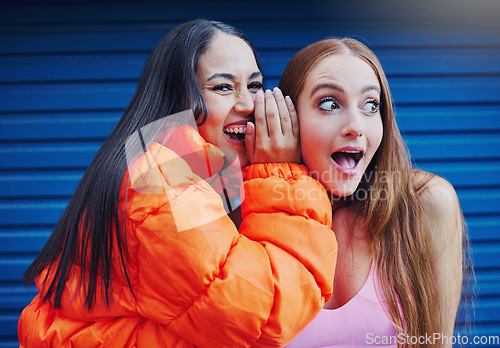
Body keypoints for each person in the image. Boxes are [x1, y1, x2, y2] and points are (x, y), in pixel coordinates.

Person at [18, 20, 338, 347]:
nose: (247, 104)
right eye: (223, 88)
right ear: (181, 96)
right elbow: (259, 315)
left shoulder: (195, 165)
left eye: (254, 86)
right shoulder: (161, 177)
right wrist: (281, 173)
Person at [279, 38, 465, 347]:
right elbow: (175, 166)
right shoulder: (245, 207)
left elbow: (437, 342)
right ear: (288, 117)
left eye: (370, 106)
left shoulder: (427, 203)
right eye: (329, 104)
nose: (356, 126)